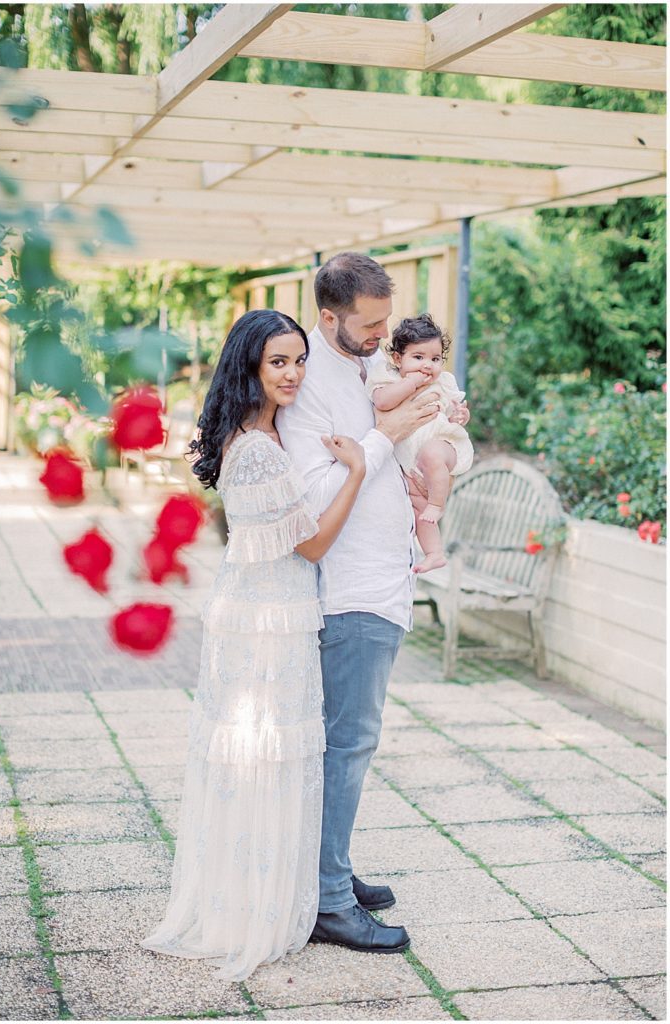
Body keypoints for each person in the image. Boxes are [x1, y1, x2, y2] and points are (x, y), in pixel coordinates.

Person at [142, 309, 366, 981]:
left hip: (268, 611)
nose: (293, 373)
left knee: (266, 758)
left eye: (299, 359)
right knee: (262, 756)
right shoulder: (259, 447)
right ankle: (255, 908)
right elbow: (314, 542)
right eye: (278, 362)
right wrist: (354, 470)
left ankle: (268, 893)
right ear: (249, 367)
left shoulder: (269, 432)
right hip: (266, 625)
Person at [277, 252, 467, 954]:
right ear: (329, 316)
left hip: (386, 576)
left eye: (388, 321)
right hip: (350, 589)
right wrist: (383, 439)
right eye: (370, 324)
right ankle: (327, 901)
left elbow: (418, 448)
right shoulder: (310, 385)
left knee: (351, 741)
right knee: (347, 743)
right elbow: (316, 494)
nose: (382, 334)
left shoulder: (365, 366)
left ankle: (334, 869)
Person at [365, 314, 473, 573]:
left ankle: (438, 504)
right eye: (418, 357)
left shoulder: (442, 382)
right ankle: (434, 552)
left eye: (435, 359)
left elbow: (453, 411)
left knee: (432, 454)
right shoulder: (387, 378)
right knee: (416, 505)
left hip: (443, 443)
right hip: (410, 460)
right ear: (397, 359)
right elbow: (382, 402)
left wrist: (460, 416)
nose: (428, 366)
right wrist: (410, 382)